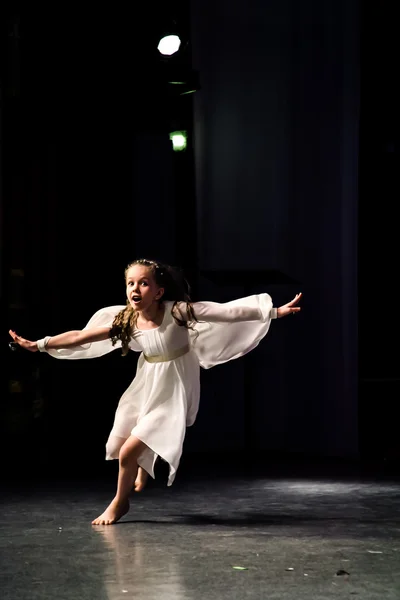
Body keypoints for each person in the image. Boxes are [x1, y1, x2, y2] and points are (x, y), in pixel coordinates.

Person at [9, 258, 302, 525]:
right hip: (148, 380)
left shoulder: (178, 311)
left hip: (175, 384)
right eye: (131, 283)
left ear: (159, 292)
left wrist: (274, 312)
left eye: (143, 283)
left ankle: (119, 502)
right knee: (129, 432)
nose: (135, 288)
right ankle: (141, 466)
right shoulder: (127, 321)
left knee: (127, 451)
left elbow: (226, 312)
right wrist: (41, 344)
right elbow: (81, 336)